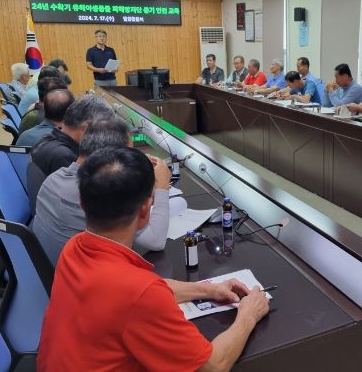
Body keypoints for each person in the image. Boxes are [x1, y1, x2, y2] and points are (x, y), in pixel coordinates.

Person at [37, 147, 269, 372]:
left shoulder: (74, 247)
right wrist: (248, 316)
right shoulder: (140, 293)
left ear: (83, 204)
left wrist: (210, 290)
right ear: (145, 210)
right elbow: (212, 365)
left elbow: (143, 292)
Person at [32, 118, 173, 264]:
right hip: (88, 273)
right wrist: (162, 187)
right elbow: (156, 241)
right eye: (129, 153)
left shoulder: (52, 179)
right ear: (112, 159)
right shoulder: (98, 192)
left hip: (58, 270)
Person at [27, 95, 114, 215]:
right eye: (105, 131)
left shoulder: (47, 138)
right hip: (55, 218)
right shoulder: (65, 157)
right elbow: (93, 201)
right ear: (87, 129)